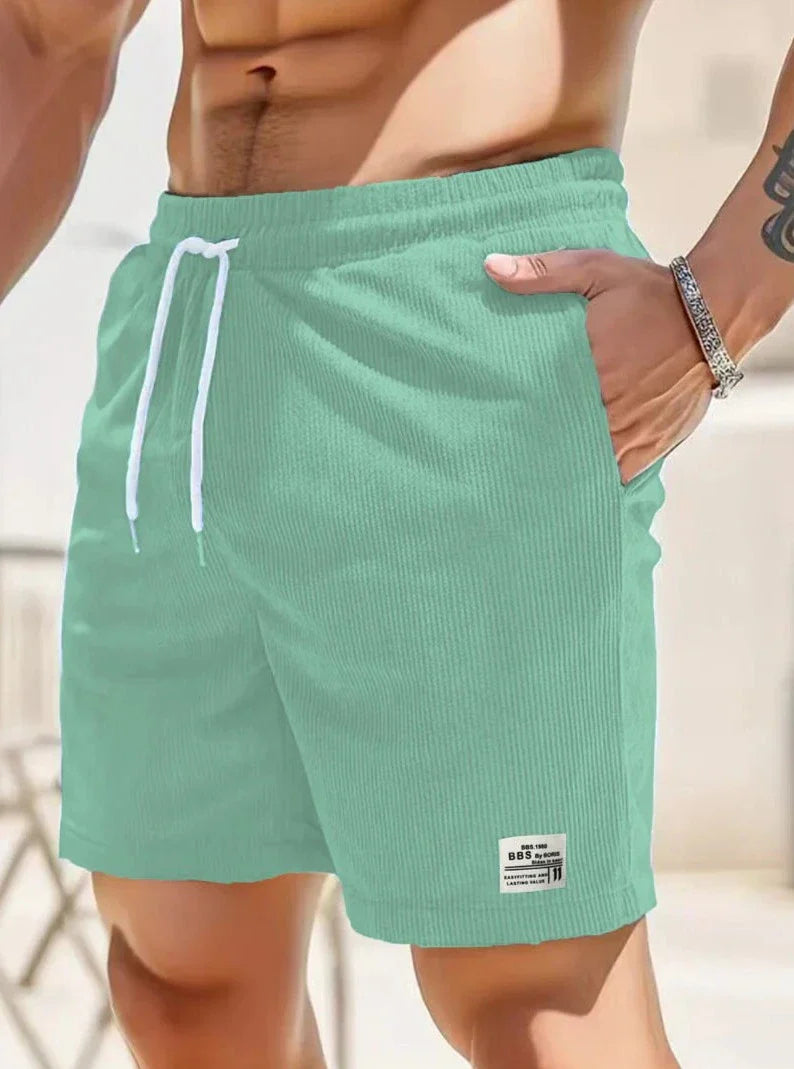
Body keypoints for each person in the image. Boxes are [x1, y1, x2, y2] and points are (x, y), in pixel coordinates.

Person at [2, 2, 792, 1066]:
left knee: (538, 999)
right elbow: (48, 40)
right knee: (179, 980)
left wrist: (723, 300)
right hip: (192, 319)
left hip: (466, 306)